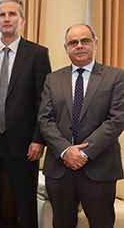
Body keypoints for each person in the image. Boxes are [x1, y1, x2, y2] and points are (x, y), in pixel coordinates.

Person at [0, 0, 51, 227]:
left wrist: (39, 139)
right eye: (2, 14)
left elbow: (44, 101)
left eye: (12, 14)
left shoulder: (38, 54)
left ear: (22, 19)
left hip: (25, 143)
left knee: (25, 202)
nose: (7, 19)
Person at [38, 24, 124, 228]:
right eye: (73, 42)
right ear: (66, 47)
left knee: (101, 223)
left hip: (99, 167)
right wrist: (66, 151)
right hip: (60, 168)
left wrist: (84, 153)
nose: (79, 46)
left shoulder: (116, 76)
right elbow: (45, 119)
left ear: (95, 43)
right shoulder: (53, 79)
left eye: (85, 41)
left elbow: (116, 119)